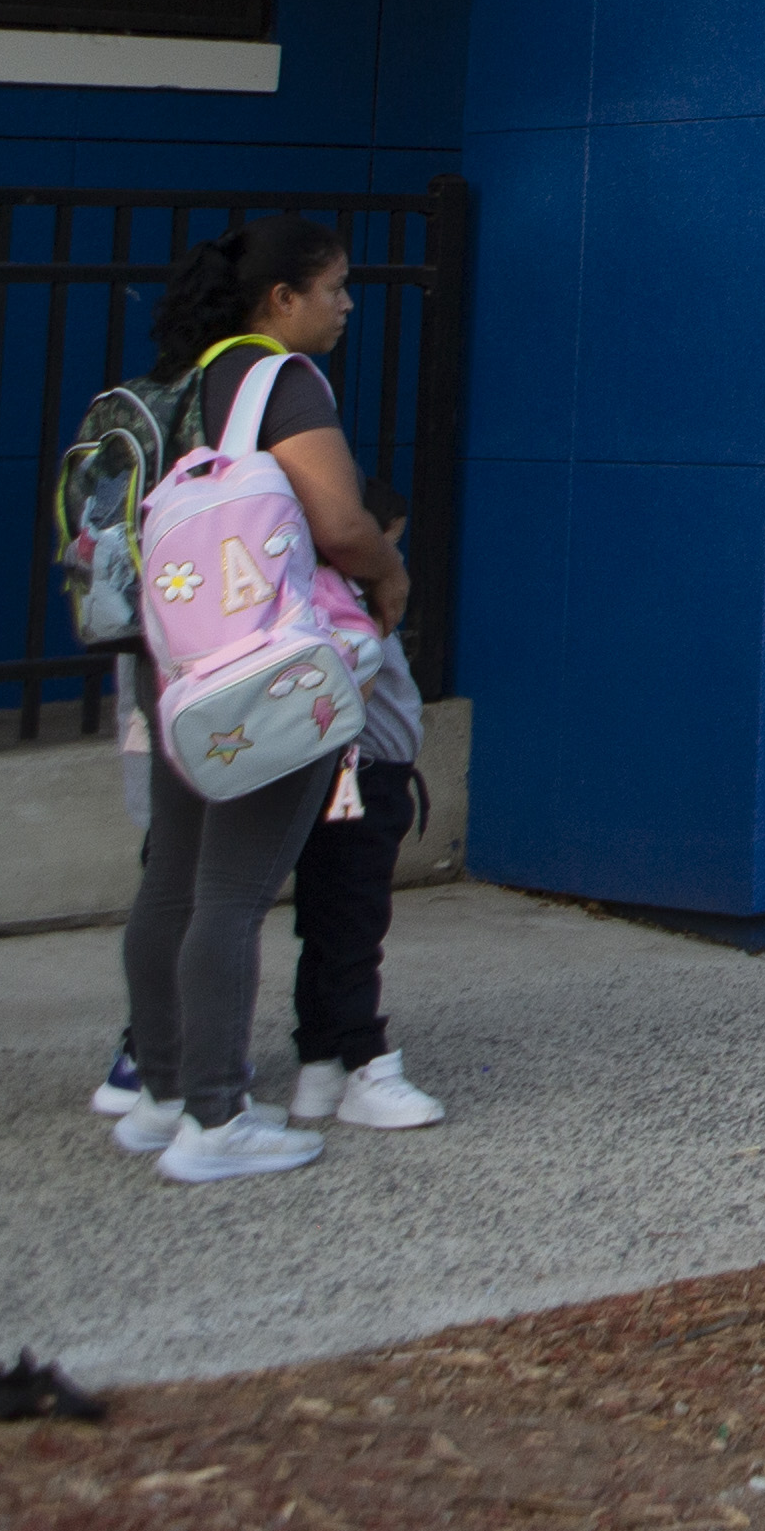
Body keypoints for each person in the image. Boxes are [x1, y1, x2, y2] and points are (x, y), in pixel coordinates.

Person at [108, 214, 407, 1184]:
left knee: (174, 882)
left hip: (181, 665)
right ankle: (217, 1121)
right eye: (334, 288)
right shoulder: (282, 381)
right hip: (265, 669)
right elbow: (339, 520)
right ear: (283, 299)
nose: (346, 305)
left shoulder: (196, 382)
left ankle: (158, 1097)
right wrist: (390, 571)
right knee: (233, 894)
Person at [280, 466, 447, 1137]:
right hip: (362, 779)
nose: (395, 560)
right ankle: (362, 1059)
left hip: (355, 777)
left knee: (326, 920)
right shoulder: (342, 602)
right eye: (389, 544)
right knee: (352, 922)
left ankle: (319, 1060)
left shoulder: (317, 593)